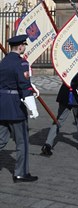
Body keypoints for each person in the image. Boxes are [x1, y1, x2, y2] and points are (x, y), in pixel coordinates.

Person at [0, 34, 39, 183]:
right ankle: (20, 173)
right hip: (15, 106)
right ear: (21, 46)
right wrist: (33, 108)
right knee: (22, 141)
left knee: (2, 139)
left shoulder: (3, 62)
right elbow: (23, 86)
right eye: (24, 45)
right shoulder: (21, 63)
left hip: (2, 105)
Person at [41, 65, 78, 156]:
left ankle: (48, 144)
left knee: (59, 120)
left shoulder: (67, 63)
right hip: (75, 95)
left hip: (65, 93)